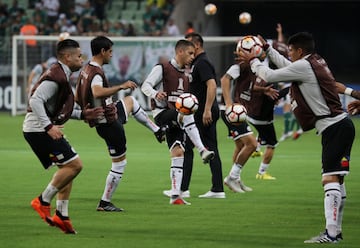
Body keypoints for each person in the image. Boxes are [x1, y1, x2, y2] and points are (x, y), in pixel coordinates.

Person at [238, 32, 355, 243]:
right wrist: (267, 51)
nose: (289, 54)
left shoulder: (303, 66)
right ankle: (335, 232)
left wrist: (254, 60)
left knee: (329, 179)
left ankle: (331, 234)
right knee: (336, 179)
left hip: (334, 127)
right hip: (337, 125)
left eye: (291, 50)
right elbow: (286, 67)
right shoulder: (314, 61)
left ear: (299, 51)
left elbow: (272, 76)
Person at [75, 36, 166, 212]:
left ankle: (156, 130)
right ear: (102, 52)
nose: (111, 55)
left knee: (131, 102)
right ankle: (105, 202)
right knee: (119, 164)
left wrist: (85, 110)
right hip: (108, 124)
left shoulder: (86, 68)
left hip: (109, 113)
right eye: (110, 51)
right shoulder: (96, 73)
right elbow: (96, 91)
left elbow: (79, 95)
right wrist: (120, 87)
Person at [24, 39, 104, 234]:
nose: (81, 59)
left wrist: (83, 114)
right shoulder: (55, 77)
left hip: (39, 129)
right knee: (75, 166)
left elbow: (58, 109)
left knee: (67, 170)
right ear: (67, 57)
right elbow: (35, 101)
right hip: (38, 130)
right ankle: (43, 200)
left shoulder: (62, 74)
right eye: (78, 56)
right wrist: (49, 126)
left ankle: (62, 216)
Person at [141, 39, 215, 205]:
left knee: (178, 152)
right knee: (186, 112)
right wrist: (154, 94)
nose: (192, 57)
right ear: (180, 52)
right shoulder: (163, 68)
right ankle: (202, 149)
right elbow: (145, 85)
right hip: (162, 114)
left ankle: (175, 196)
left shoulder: (187, 74)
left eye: (194, 54)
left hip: (178, 118)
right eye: (190, 53)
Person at [220, 51, 280, 190]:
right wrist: (229, 103)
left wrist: (264, 90)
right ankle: (232, 177)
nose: (263, 53)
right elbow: (224, 80)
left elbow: (251, 87)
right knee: (252, 145)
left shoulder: (255, 69)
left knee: (240, 146)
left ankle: (236, 179)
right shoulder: (240, 66)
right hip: (232, 112)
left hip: (238, 112)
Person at [183, 32, 225, 198]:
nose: (186, 49)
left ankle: (182, 189)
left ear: (197, 45)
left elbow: (212, 85)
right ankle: (217, 189)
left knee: (188, 148)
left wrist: (207, 109)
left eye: (189, 45)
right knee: (208, 148)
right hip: (201, 112)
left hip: (203, 113)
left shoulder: (202, 63)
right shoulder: (197, 63)